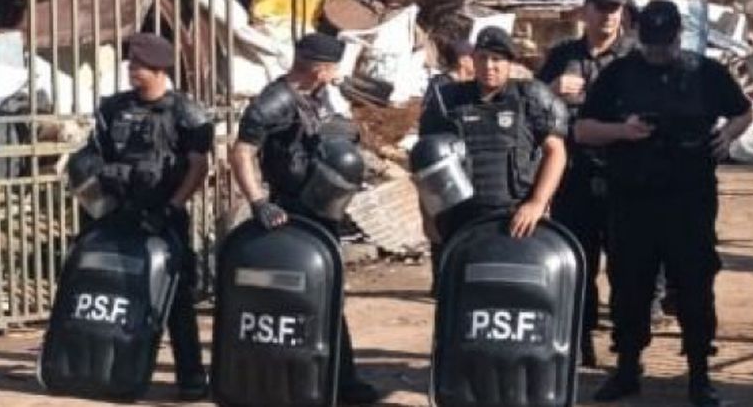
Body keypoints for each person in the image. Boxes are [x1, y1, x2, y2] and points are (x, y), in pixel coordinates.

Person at [576, 0, 753, 407]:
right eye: (650, 45)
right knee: (629, 287)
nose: (658, 53)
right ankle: (627, 369)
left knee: (695, 287)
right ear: (639, 37)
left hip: (689, 203)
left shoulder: (706, 73)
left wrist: (728, 136)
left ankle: (699, 375)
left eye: (665, 44)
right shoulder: (619, 75)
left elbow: (743, 113)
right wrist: (622, 131)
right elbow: (583, 130)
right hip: (632, 201)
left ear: (678, 36)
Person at [231, 32, 383, 406]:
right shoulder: (274, 101)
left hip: (319, 209)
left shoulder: (313, 96)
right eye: (333, 68)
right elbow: (241, 151)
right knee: (297, 296)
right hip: (289, 213)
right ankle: (297, 378)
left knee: (328, 294)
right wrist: (258, 202)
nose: (335, 74)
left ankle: (339, 378)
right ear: (320, 68)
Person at [88, 32, 212, 400]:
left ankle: (190, 378)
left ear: (159, 69)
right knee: (119, 294)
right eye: (131, 65)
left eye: (139, 67)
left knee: (176, 299)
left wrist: (172, 206)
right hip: (120, 213)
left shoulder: (186, 112)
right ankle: (118, 371)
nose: (132, 72)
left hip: (164, 214)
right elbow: (97, 157)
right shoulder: (113, 108)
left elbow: (198, 167)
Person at [534, 0, 634, 368]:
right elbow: (531, 103)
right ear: (586, 12)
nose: (609, 15)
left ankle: (627, 348)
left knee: (627, 265)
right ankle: (579, 339)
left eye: (615, 8)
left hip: (624, 173)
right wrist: (551, 89)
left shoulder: (634, 57)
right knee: (577, 261)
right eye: (602, 8)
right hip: (573, 173)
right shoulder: (563, 56)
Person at [418, 27, 569, 244]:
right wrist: (428, 217)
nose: (489, 66)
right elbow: (426, 162)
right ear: (473, 60)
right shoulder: (447, 101)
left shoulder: (531, 97)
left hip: (516, 218)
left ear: (510, 62)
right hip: (459, 220)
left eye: (497, 59)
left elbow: (556, 152)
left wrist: (537, 202)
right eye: (483, 58)